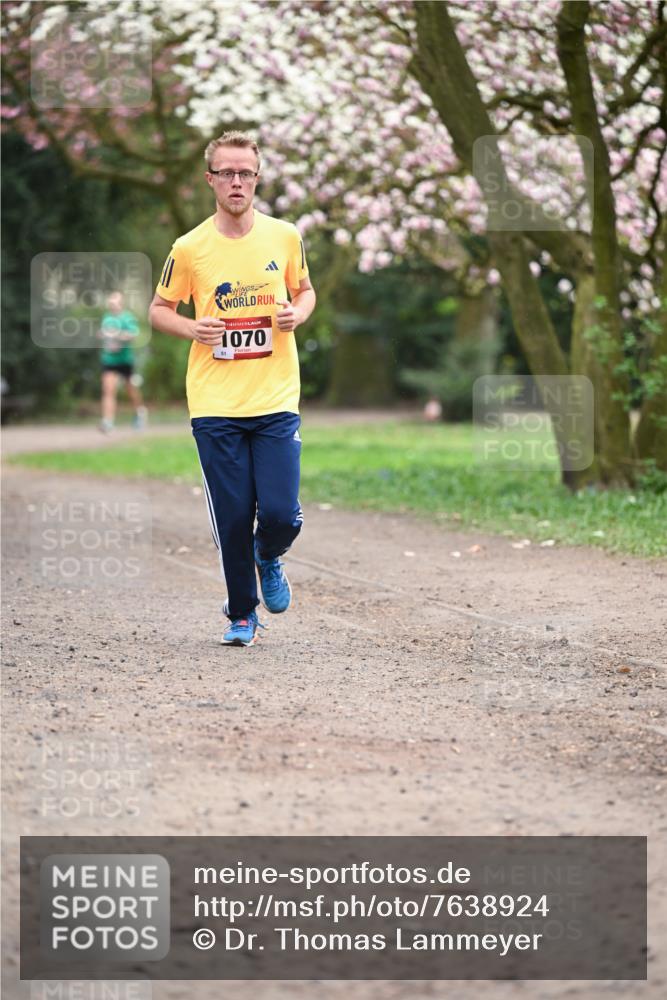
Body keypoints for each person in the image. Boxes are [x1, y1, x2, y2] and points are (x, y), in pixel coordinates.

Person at [148, 131, 316, 647]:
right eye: (227, 172)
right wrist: (193, 328)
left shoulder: (285, 236)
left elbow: (306, 292)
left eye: (246, 172)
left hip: (275, 398)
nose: (237, 181)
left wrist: (295, 314)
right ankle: (242, 614)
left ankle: (270, 555)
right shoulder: (190, 247)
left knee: (282, 514)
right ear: (211, 180)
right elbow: (158, 311)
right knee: (234, 515)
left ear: (258, 178)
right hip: (215, 403)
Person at [98, 290, 148, 433]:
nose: (112, 305)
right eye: (111, 302)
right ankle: (107, 421)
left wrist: (117, 335)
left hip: (125, 360)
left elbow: (132, 335)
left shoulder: (127, 318)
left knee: (130, 389)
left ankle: (140, 412)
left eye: (115, 302)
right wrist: (103, 335)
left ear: (121, 304)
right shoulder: (107, 318)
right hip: (109, 359)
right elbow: (103, 334)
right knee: (108, 389)